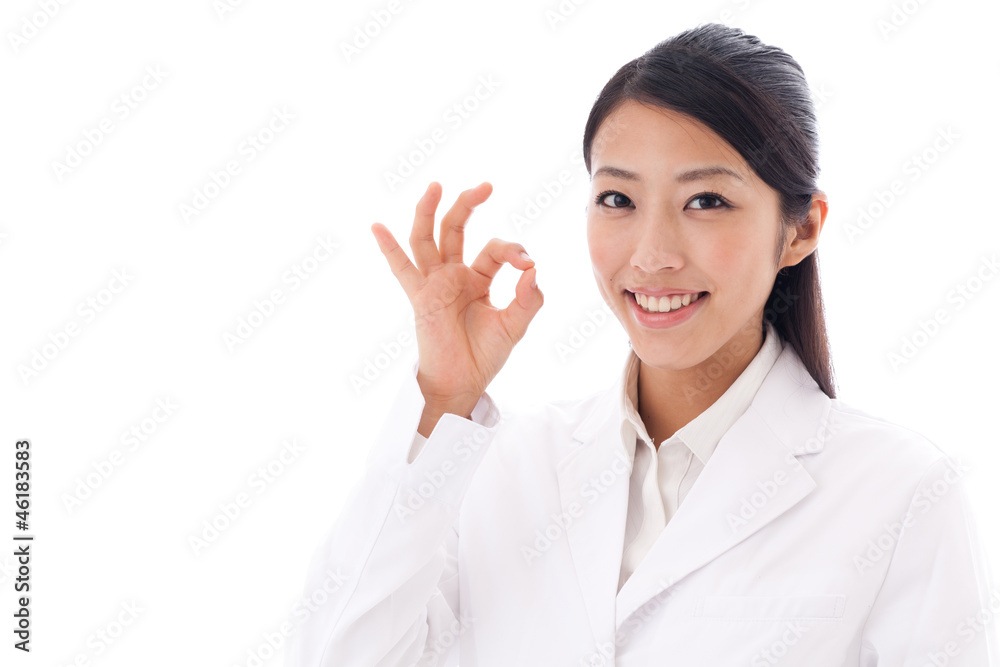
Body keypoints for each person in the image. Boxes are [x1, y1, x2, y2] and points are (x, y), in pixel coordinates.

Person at [287, 23, 997, 666]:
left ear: (802, 229)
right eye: (618, 200)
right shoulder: (506, 468)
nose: (652, 255)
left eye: (706, 201)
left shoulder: (898, 494)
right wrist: (443, 400)